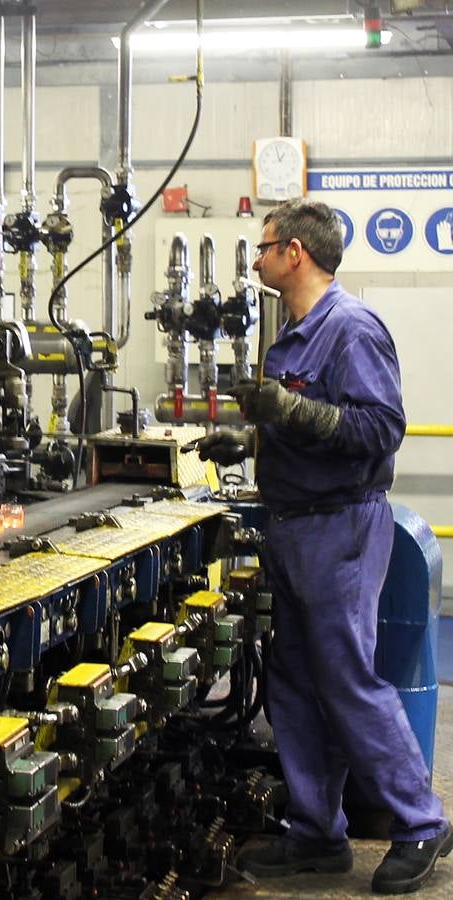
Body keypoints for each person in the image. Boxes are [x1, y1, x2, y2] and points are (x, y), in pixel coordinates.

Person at [196, 199, 450, 895]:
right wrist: (248, 441)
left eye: (263, 246)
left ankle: (420, 822)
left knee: (346, 680)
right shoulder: (295, 335)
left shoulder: (350, 329)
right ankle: (316, 833)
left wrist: (292, 410)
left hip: (339, 527)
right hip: (294, 523)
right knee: (296, 683)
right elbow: (301, 429)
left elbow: (378, 431)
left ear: (295, 254)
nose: (255, 259)